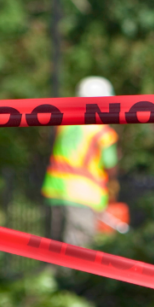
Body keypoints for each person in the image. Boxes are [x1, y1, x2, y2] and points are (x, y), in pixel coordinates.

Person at [41, 76, 119, 247]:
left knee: (51, 250)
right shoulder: (101, 130)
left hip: (54, 191)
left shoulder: (65, 123)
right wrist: (112, 187)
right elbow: (110, 164)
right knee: (77, 255)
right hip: (82, 196)